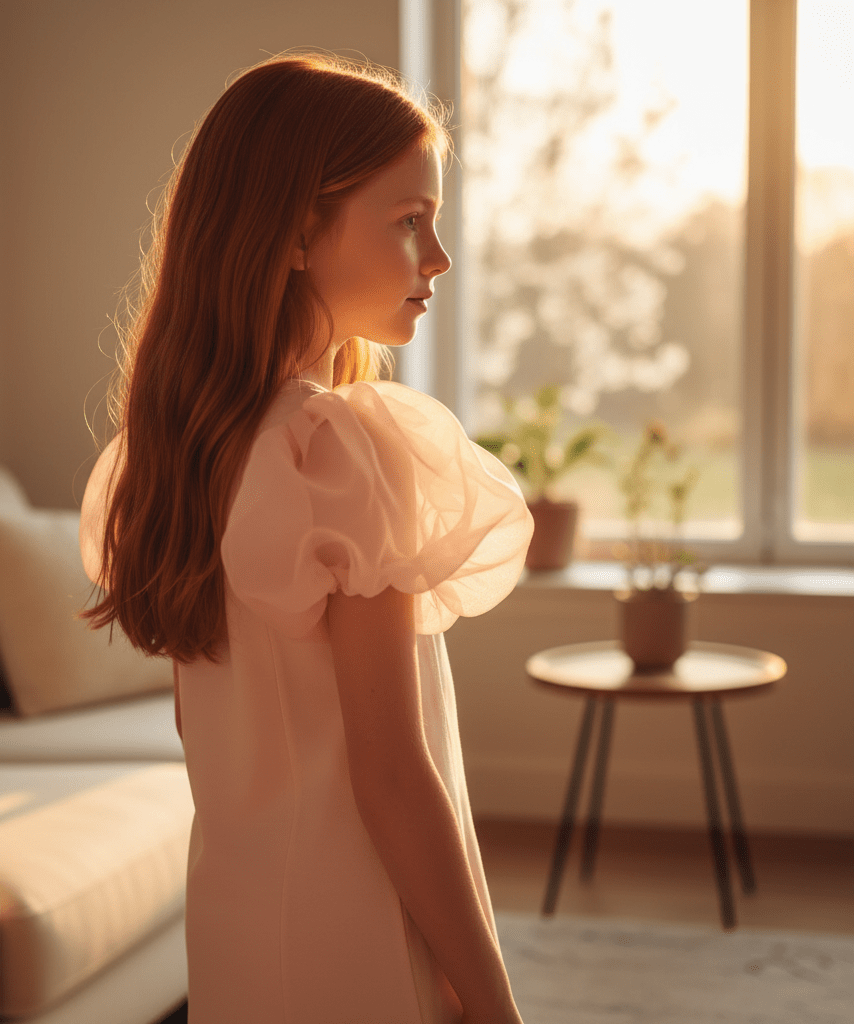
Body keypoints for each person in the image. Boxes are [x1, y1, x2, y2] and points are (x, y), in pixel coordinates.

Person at [79, 53, 534, 1024]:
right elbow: (394, 777)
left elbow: (206, 734)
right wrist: (495, 1001)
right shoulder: (340, 451)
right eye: (408, 220)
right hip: (353, 930)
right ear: (294, 232)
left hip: (241, 923)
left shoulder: (191, 446)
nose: (439, 257)